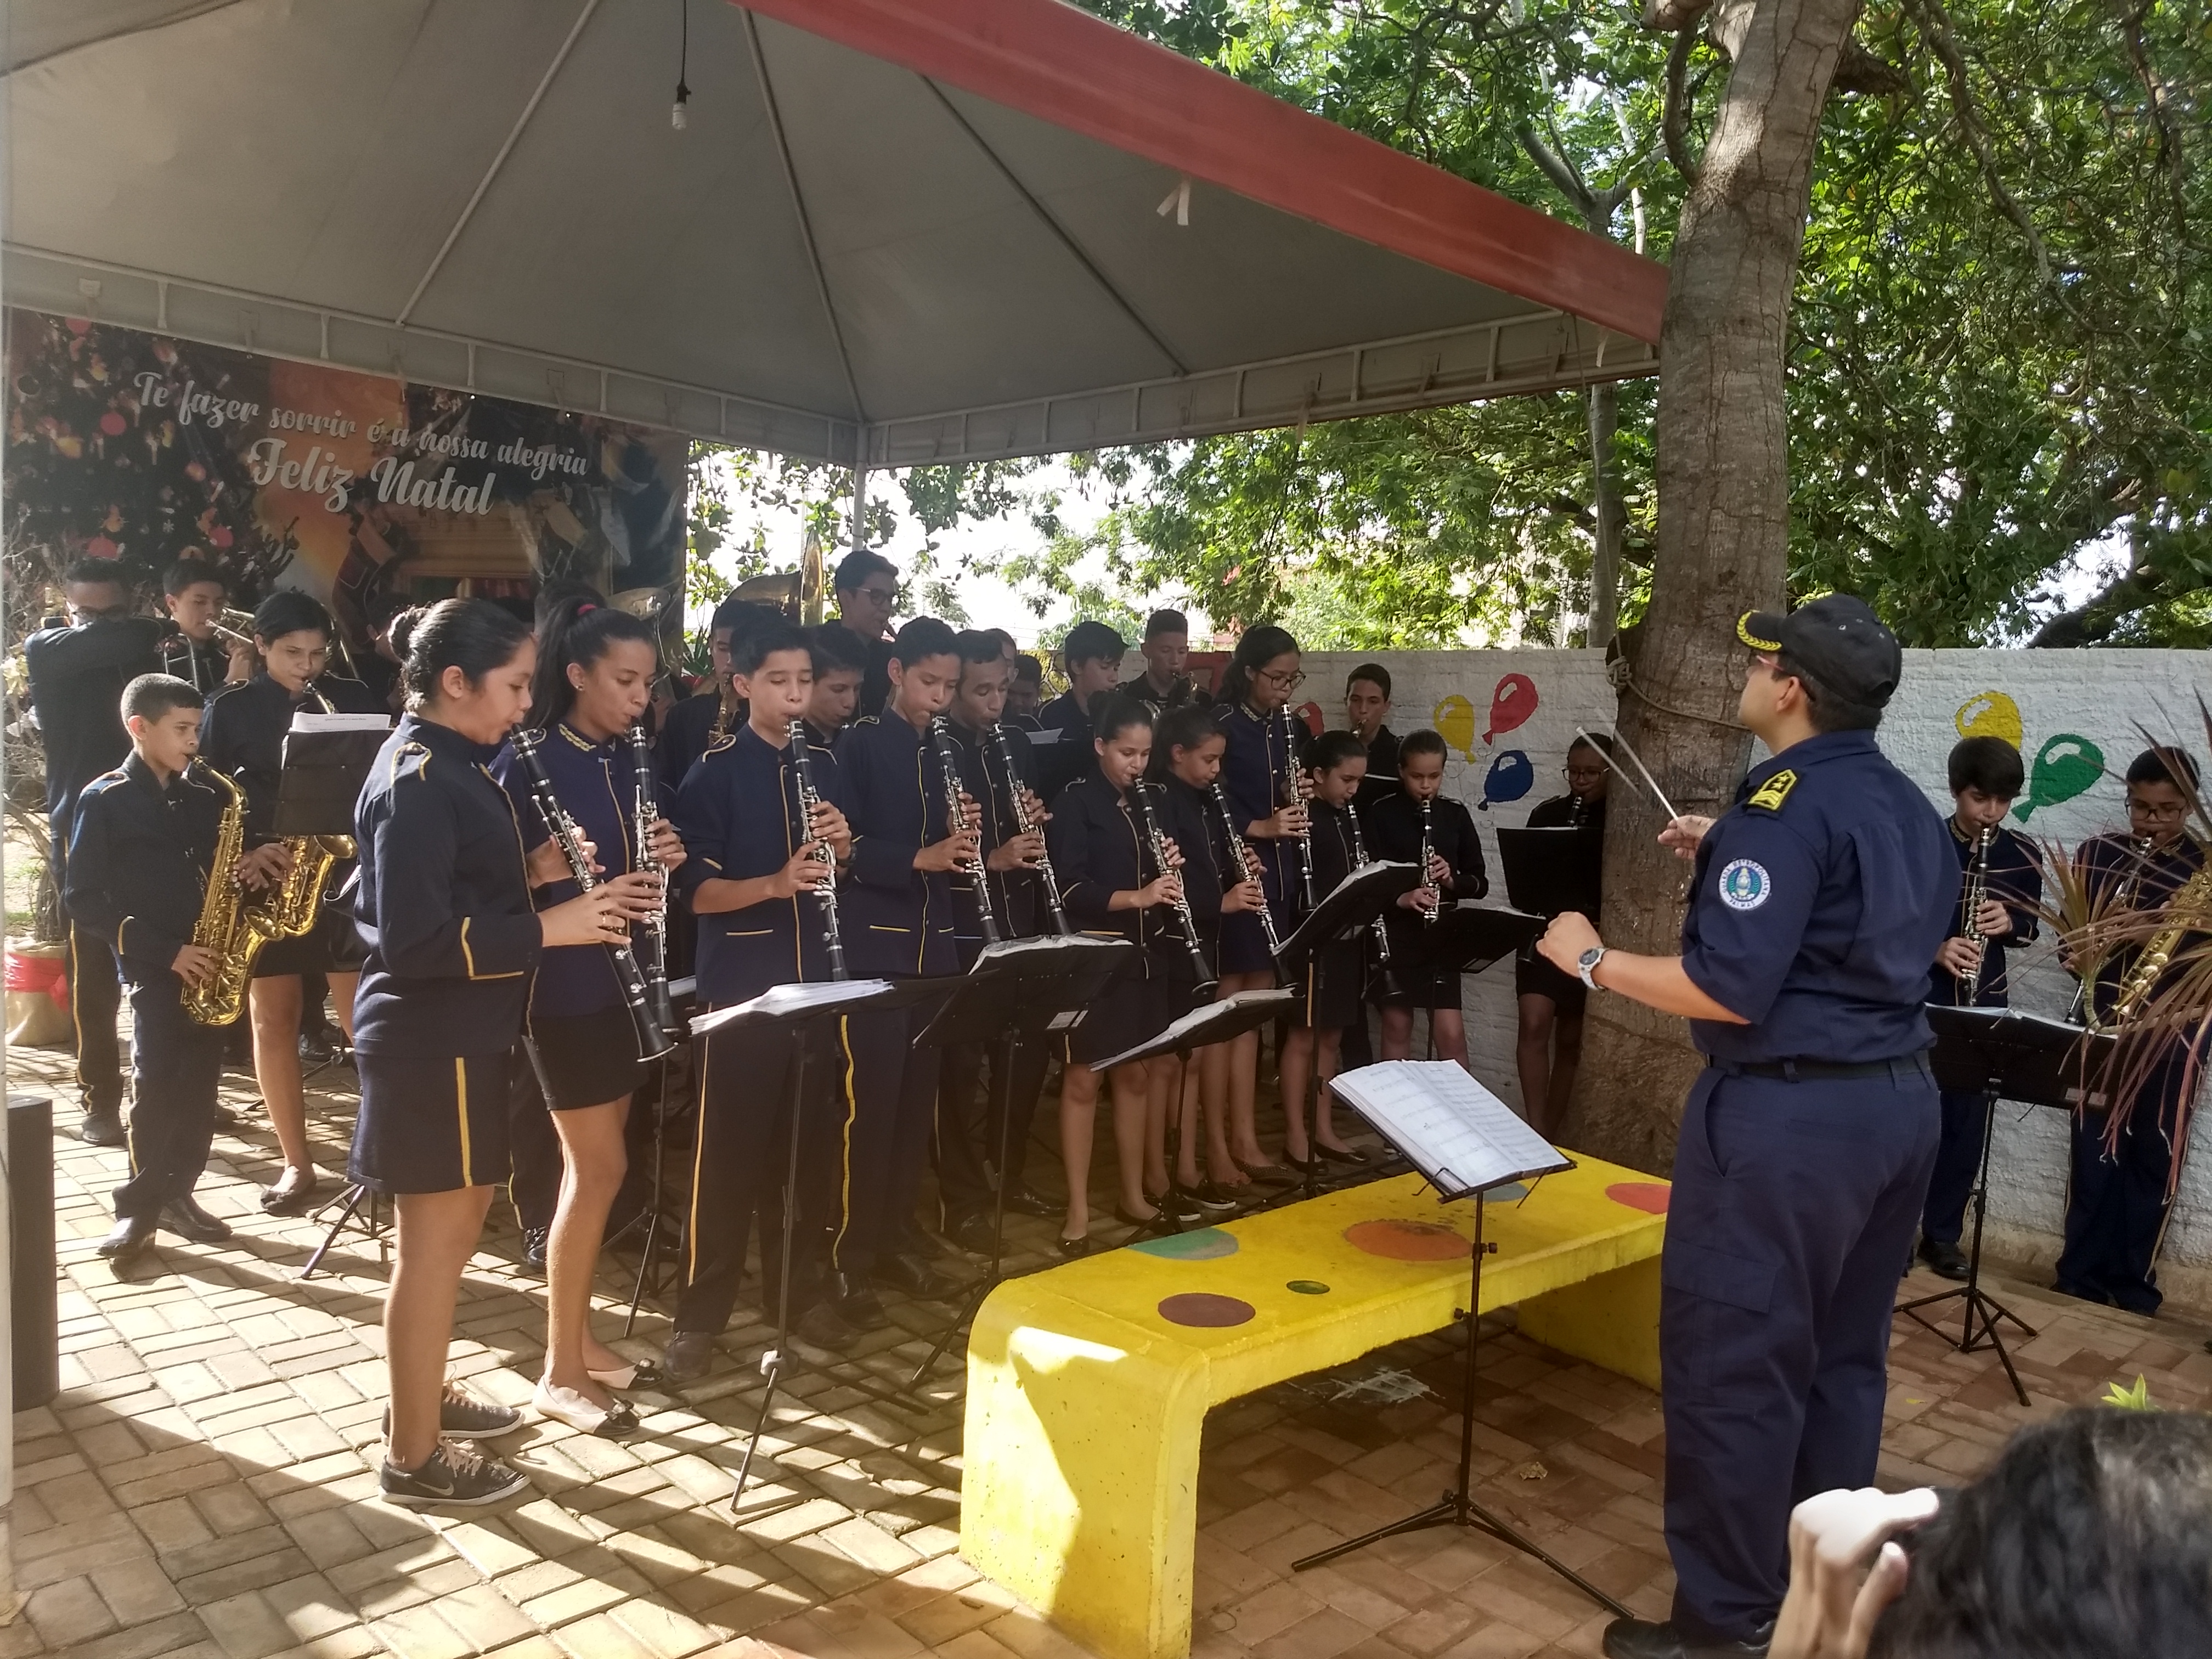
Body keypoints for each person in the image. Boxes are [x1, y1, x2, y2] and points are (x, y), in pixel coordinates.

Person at [1536, 594, 1955, 1659]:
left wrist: (1588, 958)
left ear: (1793, 690)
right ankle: (1825, 1589)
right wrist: (1728, 844)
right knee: (1843, 1360)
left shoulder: (1784, 805)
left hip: (1789, 1123)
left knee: (1737, 1362)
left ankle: (1726, 1625)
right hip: (1896, 1108)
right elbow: (1848, 913)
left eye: (1763, 659)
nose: (1750, 669)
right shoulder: (1899, 802)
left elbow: (1727, 986)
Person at [353, 600, 657, 1508]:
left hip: (461, 1033)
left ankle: (424, 1394)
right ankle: (413, 1454)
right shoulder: (417, 774)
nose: (526, 703)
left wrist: (529, 878)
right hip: (427, 1036)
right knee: (436, 1247)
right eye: (516, 684)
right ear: (456, 681)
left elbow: (454, 882)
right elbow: (411, 941)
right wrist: (549, 924)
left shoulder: (451, 760)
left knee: (454, 1226)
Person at [490, 593, 686, 1436]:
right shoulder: (525, 762)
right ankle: (558, 1369)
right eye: (624, 681)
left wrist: (667, 859)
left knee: (604, 1168)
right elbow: (494, 887)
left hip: (627, 980)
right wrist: (549, 880)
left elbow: (645, 871)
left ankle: (582, 1339)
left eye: (647, 683)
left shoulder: (627, 760)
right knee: (596, 1169)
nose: (641, 700)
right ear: (576, 676)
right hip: (564, 990)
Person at [665, 621, 855, 1379]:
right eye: (780, 681)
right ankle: (698, 1319)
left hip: (818, 988)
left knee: (806, 1159)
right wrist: (776, 884)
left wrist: (845, 847)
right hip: (744, 993)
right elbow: (698, 896)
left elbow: (847, 866)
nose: (797, 695)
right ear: (743, 686)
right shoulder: (713, 776)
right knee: (727, 1164)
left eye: (804, 681)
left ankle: (794, 1301)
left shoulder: (827, 769)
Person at [198, 591, 383, 1214]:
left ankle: (376, 1160)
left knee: (366, 1025)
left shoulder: (355, 700)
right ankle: (296, 1164)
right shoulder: (229, 710)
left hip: (342, 878)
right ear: (260, 648)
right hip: (269, 879)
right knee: (271, 1022)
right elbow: (211, 798)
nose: (306, 666)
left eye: (316, 654)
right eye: (290, 654)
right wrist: (251, 852)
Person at [65, 674, 240, 1260]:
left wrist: (249, 865)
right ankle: (139, 1210)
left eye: (198, 729)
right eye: (182, 730)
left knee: (198, 1089)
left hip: (211, 963)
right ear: (139, 728)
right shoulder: (106, 797)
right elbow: (84, 899)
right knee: (156, 1088)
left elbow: (214, 872)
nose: (195, 742)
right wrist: (168, 953)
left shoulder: (205, 797)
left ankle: (180, 1194)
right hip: (154, 967)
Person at [833, 617, 977, 1325]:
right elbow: (842, 846)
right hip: (878, 951)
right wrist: (922, 856)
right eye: (930, 683)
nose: (941, 697)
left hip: (937, 949)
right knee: (872, 1108)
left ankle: (894, 1233)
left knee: (915, 1105)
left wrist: (972, 842)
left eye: (950, 686)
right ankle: (850, 1259)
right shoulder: (857, 746)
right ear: (896, 674)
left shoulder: (946, 751)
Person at [1046, 695, 1214, 1252]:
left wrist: (1170, 875)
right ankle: (1075, 1207)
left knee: (1136, 1077)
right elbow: (1069, 888)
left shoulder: (1155, 801)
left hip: (1147, 956)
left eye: (1144, 754)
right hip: (1092, 959)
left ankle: (1134, 1194)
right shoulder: (1075, 803)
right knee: (1083, 1079)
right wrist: (1139, 894)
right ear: (1100, 746)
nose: (1136, 765)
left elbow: (1164, 880)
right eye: (1126, 753)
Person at [2052, 746, 2207, 1314]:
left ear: (2190, 807)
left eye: (2166, 811)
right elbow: (2069, 935)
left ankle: (2133, 1283)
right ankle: (2078, 1276)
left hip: (2176, 1035)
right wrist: (2078, 951)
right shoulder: (2101, 853)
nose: (2151, 822)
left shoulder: (2207, 867)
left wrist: (2150, 934)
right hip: (2101, 1021)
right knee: (2092, 1153)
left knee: (2154, 1157)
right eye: (2140, 808)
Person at [25, 557, 165, 1146]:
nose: (98, 626)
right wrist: (120, 628)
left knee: (165, 960)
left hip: (153, 817)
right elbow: (130, 634)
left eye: (110, 612)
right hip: (79, 825)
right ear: (66, 609)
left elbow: (140, 635)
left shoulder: (138, 645)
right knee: (93, 972)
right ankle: (100, 1100)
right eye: (85, 613)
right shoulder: (47, 646)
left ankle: (169, 1090)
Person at [933, 633, 1056, 1252]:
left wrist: (1032, 827)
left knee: (1024, 1051)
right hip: (958, 928)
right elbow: (929, 845)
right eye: (982, 691)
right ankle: (961, 1199)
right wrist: (996, 855)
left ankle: (1007, 1173)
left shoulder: (1014, 745)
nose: (995, 702)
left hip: (1015, 918)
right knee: (959, 1066)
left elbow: (1024, 829)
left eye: (1002, 689)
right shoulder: (935, 750)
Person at [1917, 736, 2042, 1280]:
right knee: (1913, 1125)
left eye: (2002, 801)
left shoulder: (2021, 853)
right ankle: (1892, 1232)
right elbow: (1883, 924)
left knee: (1966, 1126)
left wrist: (2010, 923)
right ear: (1956, 791)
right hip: (1921, 1001)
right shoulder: (1921, 844)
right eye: (1978, 799)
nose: (1990, 812)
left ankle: (1942, 1236)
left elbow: (2032, 927)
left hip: (1982, 1004)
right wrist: (1935, 948)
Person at [1154, 703, 1269, 1208]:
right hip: (1177, 942)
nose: (1217, 770)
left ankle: (1200, 1159)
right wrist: (1219, 900)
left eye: (1221, 760)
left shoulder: (1207, 800)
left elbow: (1213, 862)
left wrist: (1241, 866)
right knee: (1182, 1061)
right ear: (1178, 755)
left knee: (1197, 1061)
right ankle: (1178, 1166)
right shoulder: (1160, 801)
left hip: (1210, 936)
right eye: (1209, 760)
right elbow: (1169, 879)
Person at [1210, 627, 1308, 1181]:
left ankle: (1245, 1136)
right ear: (1248, 672)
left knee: (1257, 1012)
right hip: (1237, 877)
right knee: (1231, 1011)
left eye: (1292, 678)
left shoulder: (1290, 727)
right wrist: (1263, 824)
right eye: (1276, 678)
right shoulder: (1223, 728)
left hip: (1280, 876)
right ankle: (1222, 1141)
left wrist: (1301, 798)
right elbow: (1207, 806)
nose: (1284, 688)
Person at [1363, 729, 1487, 1067]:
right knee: (1397, 1025)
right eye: (1417, 776)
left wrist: (1450, 879)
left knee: (1450, 1033)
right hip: (1398, 935)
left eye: (1434, 776)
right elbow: (1366, 882)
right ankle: (1392, 1116)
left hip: (1443, 935)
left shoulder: (1455, 815)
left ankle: (1457, 1115)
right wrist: (1402, 897)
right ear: (1401, 770)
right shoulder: (1380, 813)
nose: (1426, 785)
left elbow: (1480, 883)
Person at [1279, 730, 1372, 1170]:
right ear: (1318, 775)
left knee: (1331, 1037)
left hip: (1345, 938)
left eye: (1358, 781)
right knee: (1303, 1036)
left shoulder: (1345, 815)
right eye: (1346, 780)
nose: (1353, 789)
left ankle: (1322, 1126)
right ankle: (1295, 1133)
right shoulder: (1305, 815)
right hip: (1311, 938)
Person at [1516, 733, 1611, 1131]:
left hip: (1592, 940)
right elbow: (1525, 881)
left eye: (1591, 772)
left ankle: (1554, 1131)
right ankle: (1535, 1128)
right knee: (1534, 1022)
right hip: (1546, 933)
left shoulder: (1620, 820)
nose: (1580, 780)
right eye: (1573, 772)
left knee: (1572, 1039)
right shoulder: (1546, 814)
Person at [657, 594, 765, 792]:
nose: (731, 661)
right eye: (723, 649)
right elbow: (666, 785)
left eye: (740, 650)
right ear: (711, 645)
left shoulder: (771, 719)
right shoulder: (683, 716)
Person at [1035, 621, 1128, 798]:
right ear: (1077, 666)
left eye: (1116, 668)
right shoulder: (1049, 715)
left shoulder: (1121, 716)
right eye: (1105, 667)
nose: (1113, 677)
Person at [157, 556, 255, 693]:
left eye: (219, 603)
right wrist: (231, 683)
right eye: (199, 602)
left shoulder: (222, 651)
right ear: (172, 603)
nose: (212, 611)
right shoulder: (160, 656)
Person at [832, 548, 901, 718]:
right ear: (846, 598)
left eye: (890, 599)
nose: (886, 608)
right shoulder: (818, 651)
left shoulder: (892, 658)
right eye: (876, 596)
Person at [1121, 609, 1203, 716]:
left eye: (1182, 652)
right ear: (1146, 650)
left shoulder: (1201, 700)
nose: (1175, 661)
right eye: (1166, 651)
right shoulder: (1125, 698)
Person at [1344, 664, 1401, 810]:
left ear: (1386, 707)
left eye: (1373, 702)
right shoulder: (1330, 750)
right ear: (1346, 702)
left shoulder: (1400, 754)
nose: (1363, 710)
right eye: (1356, 700)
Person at [804, 623, 870, 746]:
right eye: (839, 690)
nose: (850, 703)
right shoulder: (781, 746)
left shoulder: (859, 743)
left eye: (857, 688)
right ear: (806, 682)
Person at [1007, 654, 1045, 727]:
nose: (1018, 703)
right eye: (1011, 693)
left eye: (1026, 695)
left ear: (1039, 694)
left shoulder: (1046, 725)